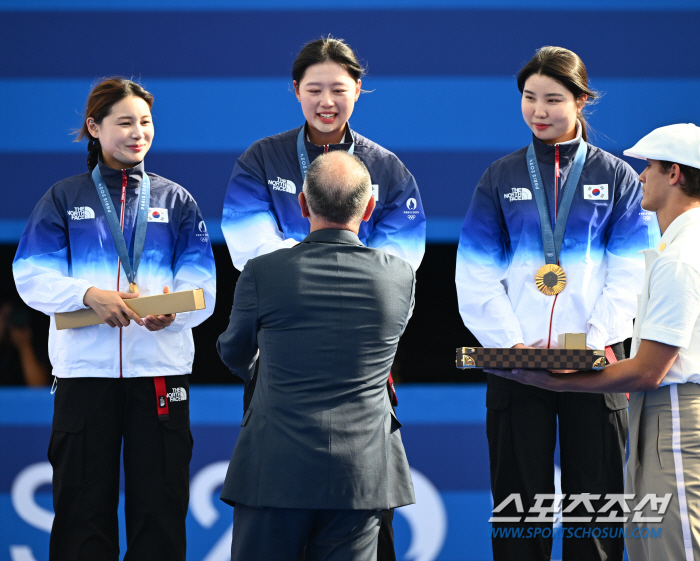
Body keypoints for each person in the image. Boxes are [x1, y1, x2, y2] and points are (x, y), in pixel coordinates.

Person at [221, 36, 425, 558]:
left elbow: (403, 263)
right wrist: (335, 261)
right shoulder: (261, 158)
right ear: (295, 91)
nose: (326, 101)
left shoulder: (388, 167)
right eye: (314, 89)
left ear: (358, 88)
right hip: (282, 355)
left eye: (339, 88)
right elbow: (248, 246)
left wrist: (305, 264)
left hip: (357, 357)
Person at [455, 46, 659, 561]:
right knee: (519, 510)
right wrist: (514, 348)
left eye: (553, 99)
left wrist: (589, 351)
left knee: (596, 509)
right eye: (529, 98)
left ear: (582, 100)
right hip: (516, 368)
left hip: (596, 369)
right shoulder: (499, 178)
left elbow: (631, 272)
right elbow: (475, 274)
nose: (539, 110)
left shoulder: (617, 179)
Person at [12, 77, 216, 561]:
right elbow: (29, 273)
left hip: (159, 372)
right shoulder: (63, 197)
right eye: (124, 122)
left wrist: (175, 309)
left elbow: (203, 287)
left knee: (161, 512)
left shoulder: (177, 201)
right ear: (94, 128)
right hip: (85, 375)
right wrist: (86, 295)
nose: (137, 132)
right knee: (81, 512)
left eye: (145, 122)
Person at [486, 123, 700, 561]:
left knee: (673, 550)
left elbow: (647, 370)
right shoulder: (677, 247)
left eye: (650, 168)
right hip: (661, 412)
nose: (641, 176)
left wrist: (558, 381)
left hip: (675, 413)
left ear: (674, 174)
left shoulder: (681, 257)